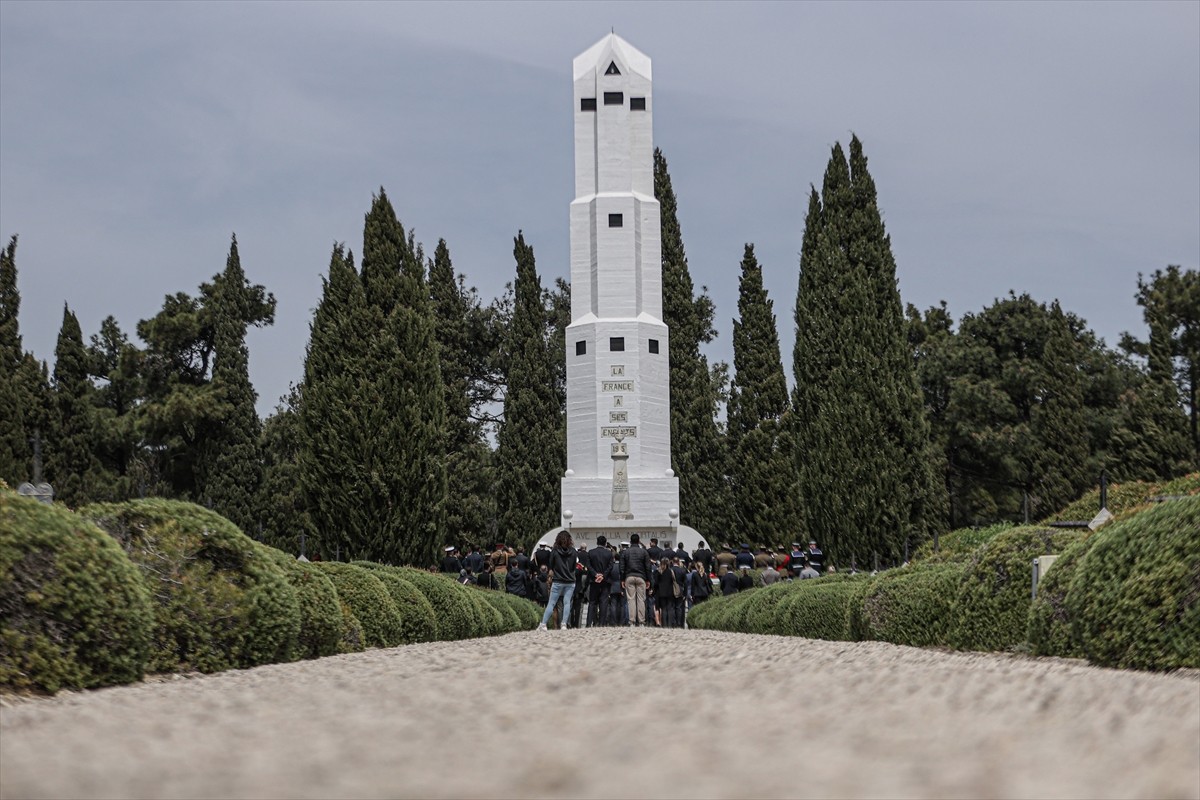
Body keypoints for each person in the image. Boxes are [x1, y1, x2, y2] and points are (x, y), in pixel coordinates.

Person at [538, 530, 579, 631]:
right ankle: (564, 624)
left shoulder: (555, 551)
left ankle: (543, 624)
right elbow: (574, 566)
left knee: (551, 603)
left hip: (558, 580)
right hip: (570, 580)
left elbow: (551, 565)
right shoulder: (573, 551)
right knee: (567, 603)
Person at [620, 533, 652, 626]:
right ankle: (641, 621)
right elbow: (648, 567)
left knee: (631, 600)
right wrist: (648, 580)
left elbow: (622, 568)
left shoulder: (625, 552)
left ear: (630, 542)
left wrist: (622, 579)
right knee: (641, 599)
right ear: (639, 541)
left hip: (629, 576)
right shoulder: (644, 552)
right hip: (641, 577)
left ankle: (632, 621)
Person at [587, 535, 615, 627]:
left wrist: (595, 574)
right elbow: (610, 566)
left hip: (594, 580)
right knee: (603, 602)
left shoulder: (591, 552)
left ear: (597, 542)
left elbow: (588, 565)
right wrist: (603, 575)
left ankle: (589, 623)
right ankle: (602, 623)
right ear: (605, 543)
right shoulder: (609, 553)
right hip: (605, 581)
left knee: (592, 602)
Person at [652, 558, 675, 627]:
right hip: (669, 592)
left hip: (661, 592)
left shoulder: (658, 572)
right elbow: (673, 581)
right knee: (669, 608)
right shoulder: (670, 571)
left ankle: (664, 624)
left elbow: (656, 583)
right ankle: (669, 624)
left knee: (664, 609)